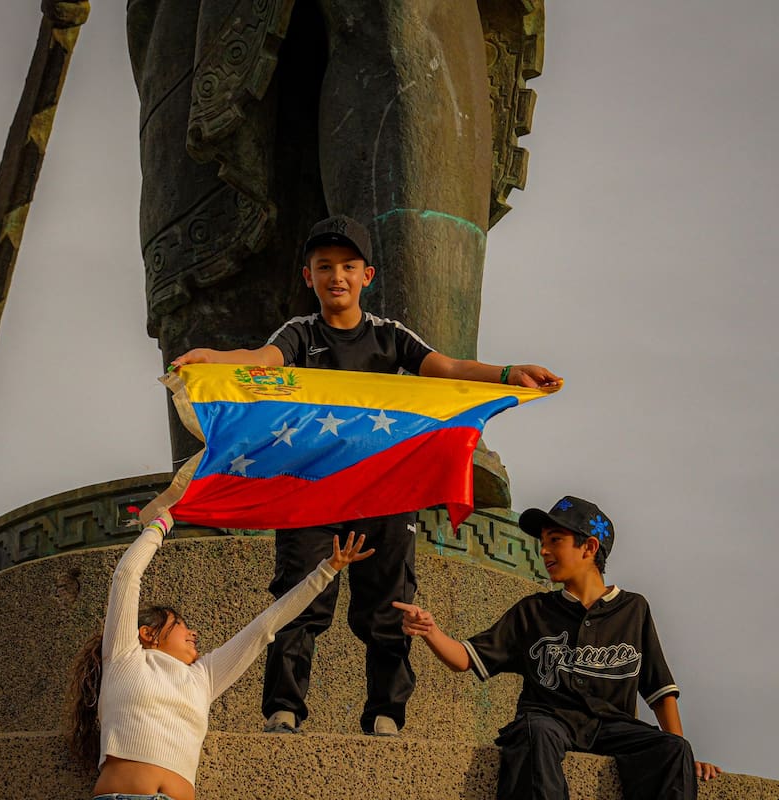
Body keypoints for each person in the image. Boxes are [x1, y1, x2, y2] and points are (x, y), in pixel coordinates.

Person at [170, 214, 563, 737]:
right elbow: (261, 361)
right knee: (298, 600)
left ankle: (386, 715)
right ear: (308, 277)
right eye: (325, 266)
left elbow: (444, 370)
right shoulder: (300, 334)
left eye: (348, 266)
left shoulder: (388, 336)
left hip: (385, 493)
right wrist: (215, 359)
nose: (338, 276)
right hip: (311, 491)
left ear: (367, 276)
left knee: (388, 608)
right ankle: (283, 711)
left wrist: (509, 374)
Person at [392, 495, 721, 800]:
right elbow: (466, 659)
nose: (544, 551)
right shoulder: (533, 611)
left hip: (613, 726)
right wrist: (431, 631)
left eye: (555, 541)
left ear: (589, 547)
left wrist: (682, 750)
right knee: (534, 734)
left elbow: (659, 689)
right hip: (549, 720)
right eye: (543, 543)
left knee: (671, 750)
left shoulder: (633, 609)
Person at [65, 508, 374, 800]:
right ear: (147, 634)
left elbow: (266, 626)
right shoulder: (124, 657)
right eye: (180, 625)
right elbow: (127, 576)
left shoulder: (204, 676)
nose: (193, 633)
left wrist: (327, 570)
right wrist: (163, 522)